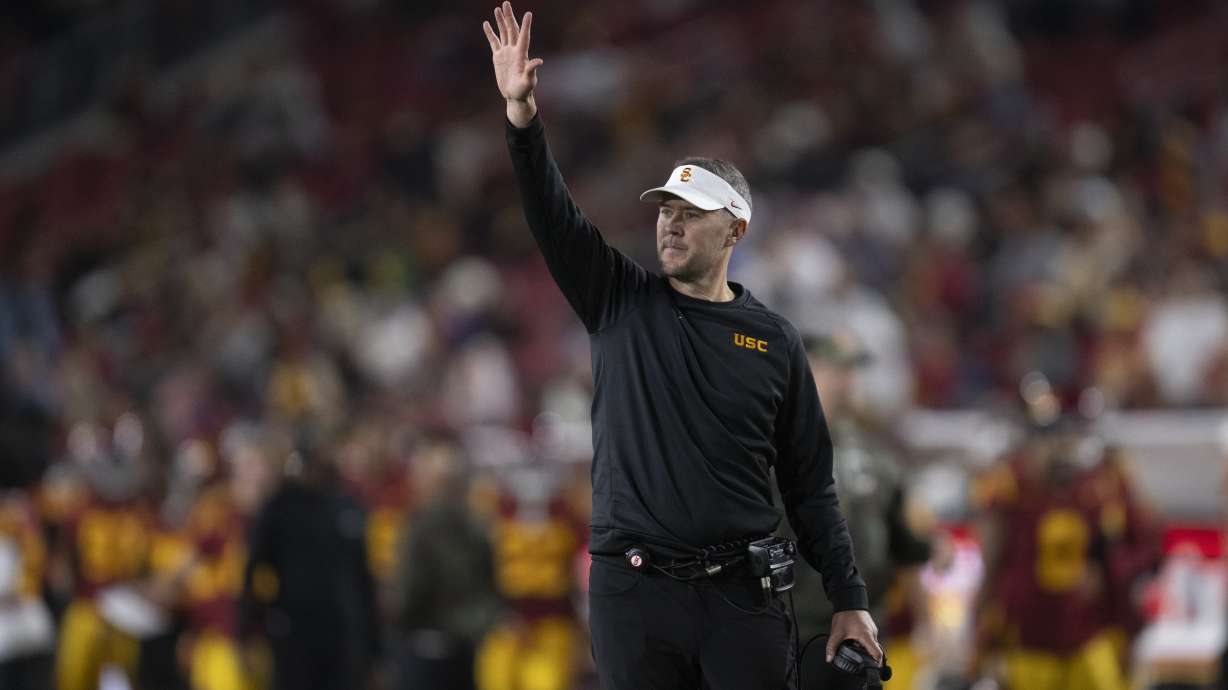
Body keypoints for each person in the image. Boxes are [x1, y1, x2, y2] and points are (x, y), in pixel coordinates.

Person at [481, 4, 880, 688]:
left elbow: (810, 486)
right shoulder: (619, 301)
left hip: (743, 596)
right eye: (666, 209)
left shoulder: (775, 342)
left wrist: (849, 600)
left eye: (691, 213)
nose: (670, 224)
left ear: (735, 231)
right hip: (634, 595)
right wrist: (523, 121)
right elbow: (553, 216)